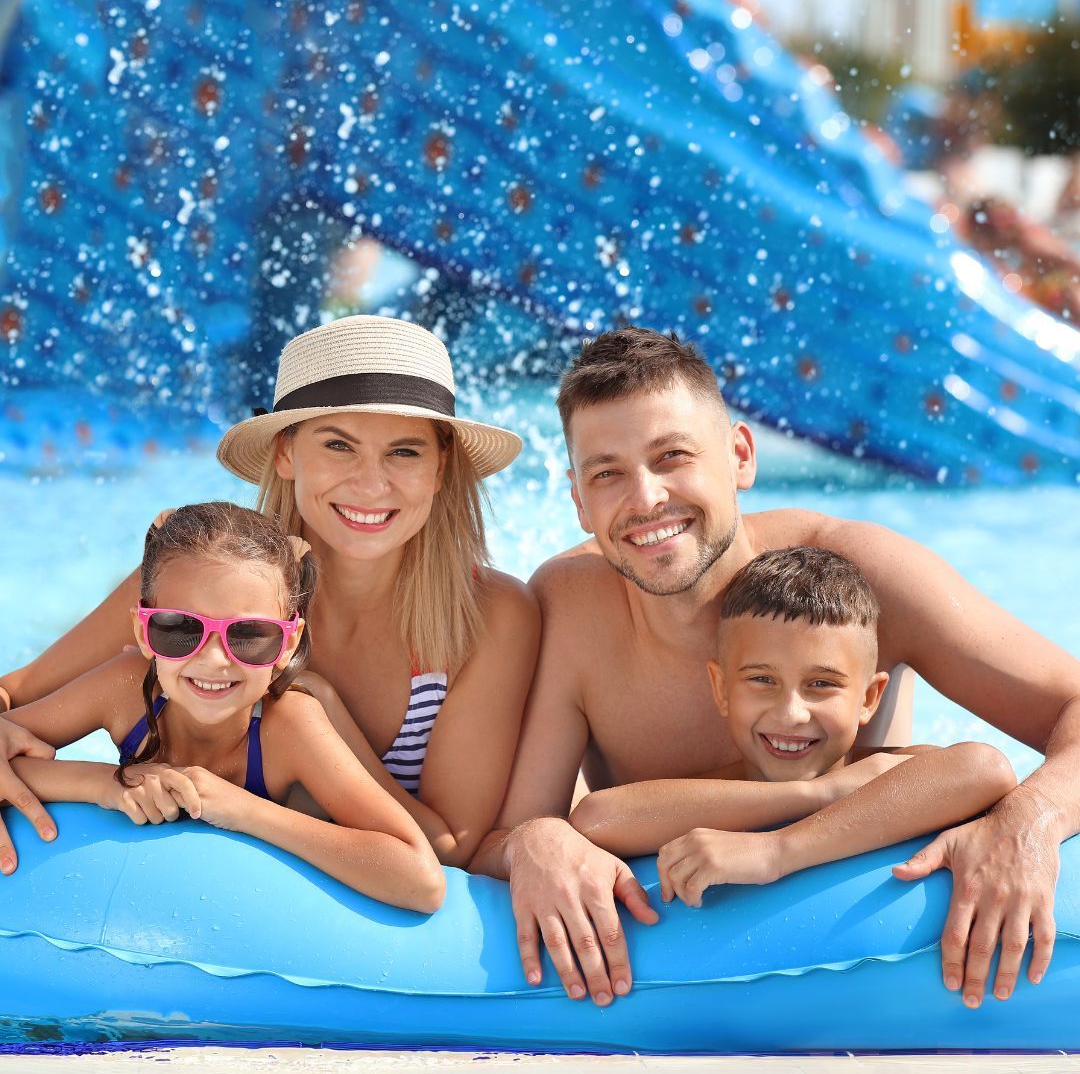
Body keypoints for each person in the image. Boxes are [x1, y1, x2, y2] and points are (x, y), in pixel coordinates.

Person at [471, 326, 1080, 1012]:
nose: (644, 501)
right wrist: (537, 841)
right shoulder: (569, 607)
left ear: (739, 456)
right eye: (607, 473)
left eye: (672, 456)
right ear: (579, 502)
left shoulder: (858, 579)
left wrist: (1030, 821)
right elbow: (500, 836)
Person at [0, 315, 540, 871]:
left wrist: (325, 711)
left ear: (441, 465)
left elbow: (448, 852)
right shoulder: (201, 585)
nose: (371, 484)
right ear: (285, 453)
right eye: (338, 445)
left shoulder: (490, 618)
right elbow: (14, 696)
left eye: (404, 452)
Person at [2, 502, 444, 912]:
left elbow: (421, 880)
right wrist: (109, 783)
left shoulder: (288, 724)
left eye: (250, 634)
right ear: (143, 631)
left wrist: (245, 811)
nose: (214, 660)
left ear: (288, 643)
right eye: (178, 629)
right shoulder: (125, 685)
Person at [567, 546, 1015, 905]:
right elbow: (595, 818)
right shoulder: (717, 792)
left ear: (869, 699)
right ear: (721, 689)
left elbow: (985, 768)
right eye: (762, 680)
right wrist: (820, 793)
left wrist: (775, 851)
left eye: (821, 684)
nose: (790, 713)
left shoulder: (885, 774)